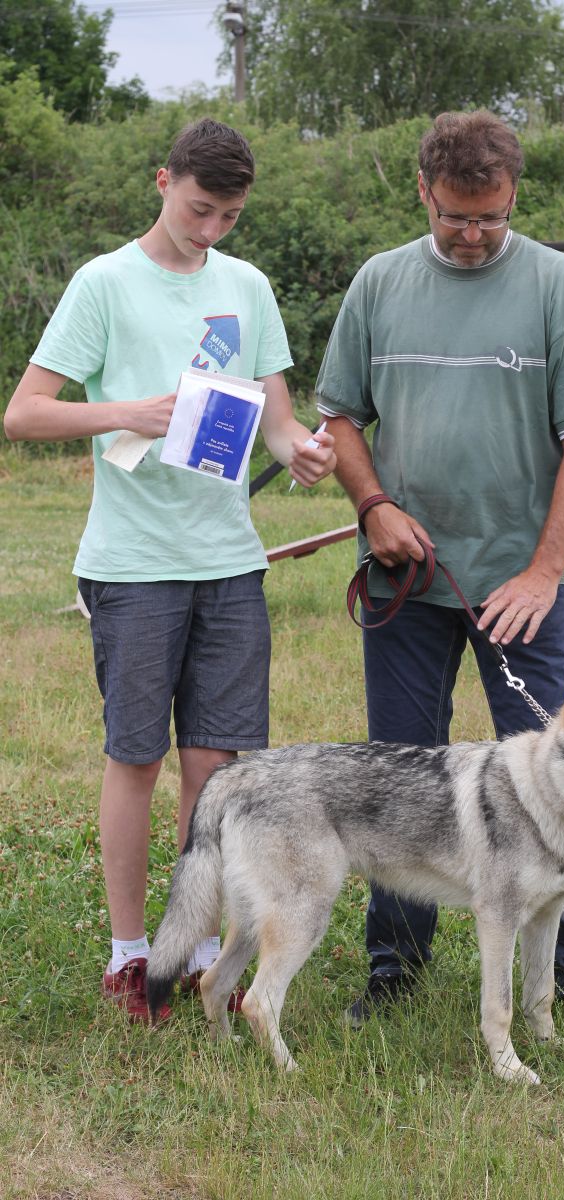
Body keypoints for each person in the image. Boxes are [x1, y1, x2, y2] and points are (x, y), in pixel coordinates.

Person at [4, 118, 335, 1023]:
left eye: (229, 216)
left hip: (229, 562)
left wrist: (300, 449)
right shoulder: (104, 283)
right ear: (162, 182)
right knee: (137, 759)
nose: (212, 229)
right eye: (199, 209)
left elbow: (275, 418)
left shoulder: (247, 286)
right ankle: (127, 953)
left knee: (217, 769)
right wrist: (129, 414)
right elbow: (24, 415)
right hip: (134, 567)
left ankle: (198, 959)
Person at [316, 110, 564, 1029]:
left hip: (522, 588)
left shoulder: (556, 284)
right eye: (456, 216)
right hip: (407, 581)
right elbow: (340, 417)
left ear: (512, 200)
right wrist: (373, 506)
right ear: (423, 191)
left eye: (490, 218)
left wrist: (543, 572)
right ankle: (395, 969)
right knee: (401, 780)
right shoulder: (379, 282)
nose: (472, 235)